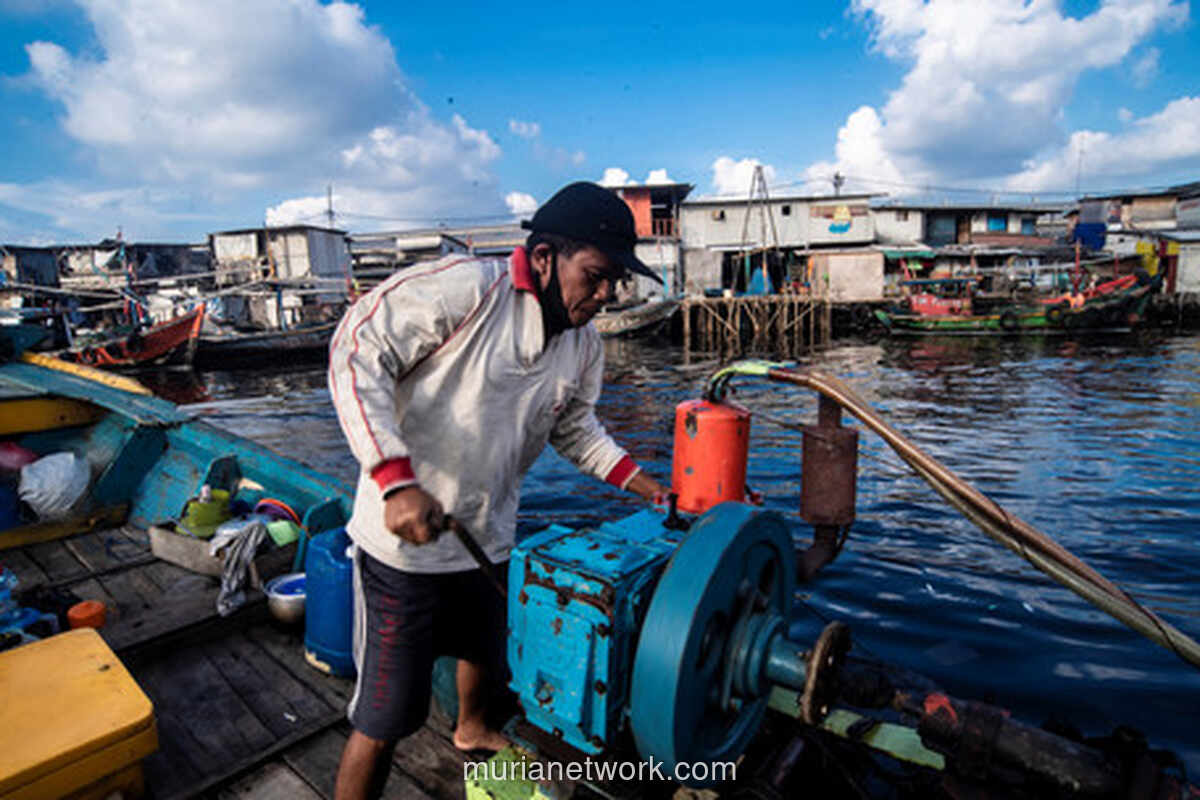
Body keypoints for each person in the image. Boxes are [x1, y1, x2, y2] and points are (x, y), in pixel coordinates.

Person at [328, 181, 670, 799]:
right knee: (384, 721)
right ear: (544, 258)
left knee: (485, 647)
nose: (604, 295)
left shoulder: (582, 343)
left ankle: (472, 728)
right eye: (594, 275)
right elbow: (356, 350)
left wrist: (649, 487)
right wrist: (393, 481)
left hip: (485, 535)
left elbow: (576, 430)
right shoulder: (466, 289)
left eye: (614, 281)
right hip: (400, 550)